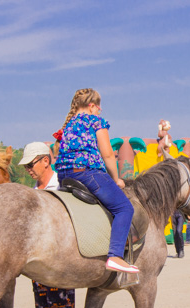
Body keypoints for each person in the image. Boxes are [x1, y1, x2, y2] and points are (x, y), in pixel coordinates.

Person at [54, 88, 138, 273]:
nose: (100, 110)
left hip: (63, 175)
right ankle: (115, 255)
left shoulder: (67, 126)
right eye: (99, 107)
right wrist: (116, 179)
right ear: (92, 106)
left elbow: (56, 151)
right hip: (87, 172)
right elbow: (107, 154)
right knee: (124, 208)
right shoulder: (95, 121)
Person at [18, 142, 75, 308]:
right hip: (39, 267)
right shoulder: (34, 190)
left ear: (45, 160)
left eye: (31, 164)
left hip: (60, 265)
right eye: (27, 166)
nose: (29, 169)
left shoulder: (61, 186)